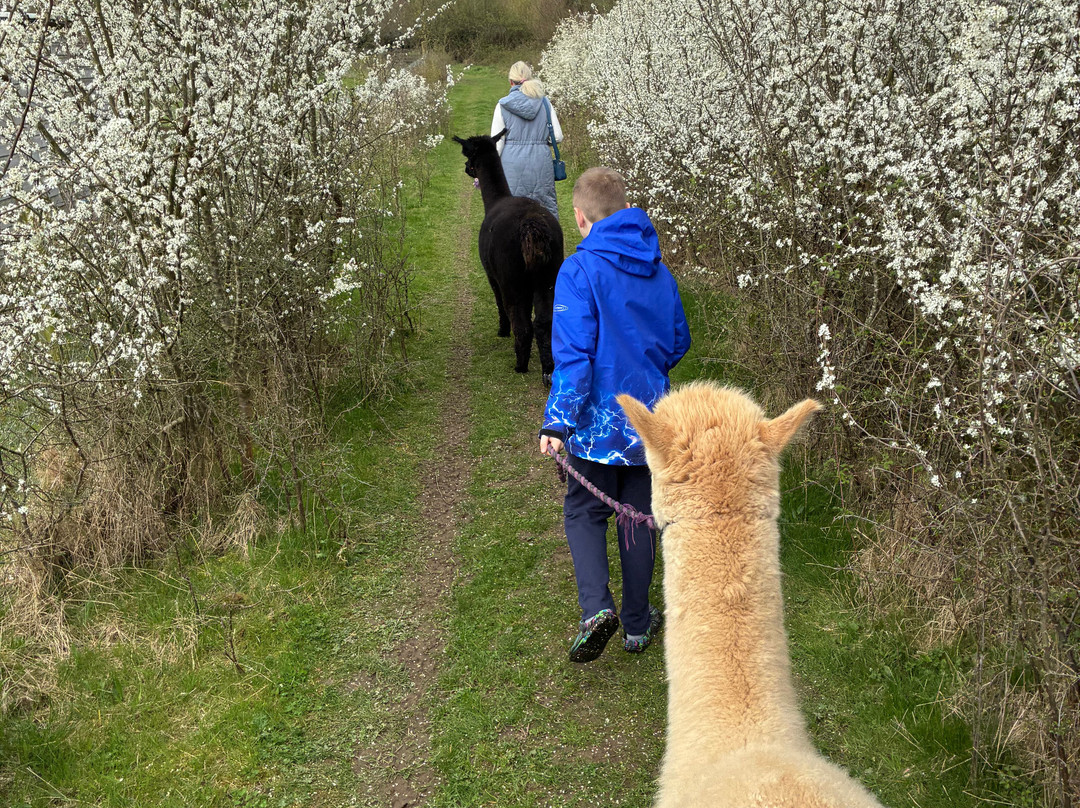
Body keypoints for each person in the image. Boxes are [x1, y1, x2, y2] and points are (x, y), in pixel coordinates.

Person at [538, 167, 691, 663]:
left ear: (580, 217)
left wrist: (557, 421)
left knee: (584, 510)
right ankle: (637, 627)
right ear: (625, 210)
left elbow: (575, 358)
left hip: (596, 426)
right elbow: (677, 342)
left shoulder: (578, 272)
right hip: (649, 423)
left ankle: (596, 610)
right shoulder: (659, 270)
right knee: (639, 517)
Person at [491, 61, 563, 219]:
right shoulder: (545, 103)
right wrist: (540, 140)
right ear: (530, 79)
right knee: (544, 209)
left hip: (512, 165)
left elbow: (497, 145)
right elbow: (557, 136)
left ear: (510, 82)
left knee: (512, 211)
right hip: (540, 162)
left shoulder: (502, 106)